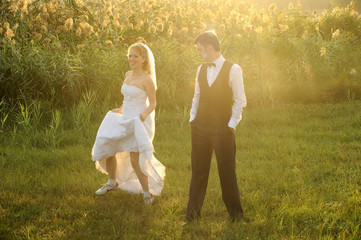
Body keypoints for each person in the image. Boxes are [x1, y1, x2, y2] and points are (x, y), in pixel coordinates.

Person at [184, 31, 247, 225]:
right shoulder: (200, 69)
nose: (198, 53)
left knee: (227, 173)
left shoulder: (233, 69)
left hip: (223, 129)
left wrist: (231, 125)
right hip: (200, 128)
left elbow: (240, 100)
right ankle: (192, 216)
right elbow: (197, 96)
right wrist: (192, 119)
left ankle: (236, 216)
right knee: (198, 172)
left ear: (210, 48)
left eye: (200, 50)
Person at [91, 42, 165, 204]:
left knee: (135, 159)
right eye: (130, 55)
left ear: (143, 59)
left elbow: (153, 103)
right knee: (109, 146)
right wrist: (120, 108)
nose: (131, 59)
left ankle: (147, 193)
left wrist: (144, 114)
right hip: (125, 117)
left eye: (135, 56)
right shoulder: (128, 75)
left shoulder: (147, 80)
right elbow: (128, 98)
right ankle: (112, 182)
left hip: (138, 120)